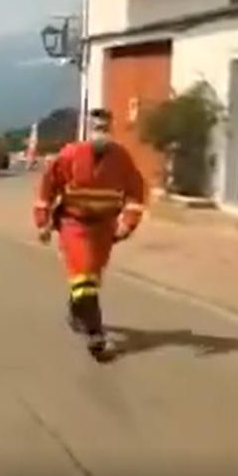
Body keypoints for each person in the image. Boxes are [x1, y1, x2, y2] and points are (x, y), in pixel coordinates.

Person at [33, 109, 146, 358]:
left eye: (105, 128)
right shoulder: (69, 156)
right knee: (83, 276)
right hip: (74, 224)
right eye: (96, 127)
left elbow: (136, 193)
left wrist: (128, 224)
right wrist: (43, 223)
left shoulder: (121, 159)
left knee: (89, 280)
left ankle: (77, 312)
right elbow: (47, 190)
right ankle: (96, 335)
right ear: (87, 129)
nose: (100, 133)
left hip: (105, 228)